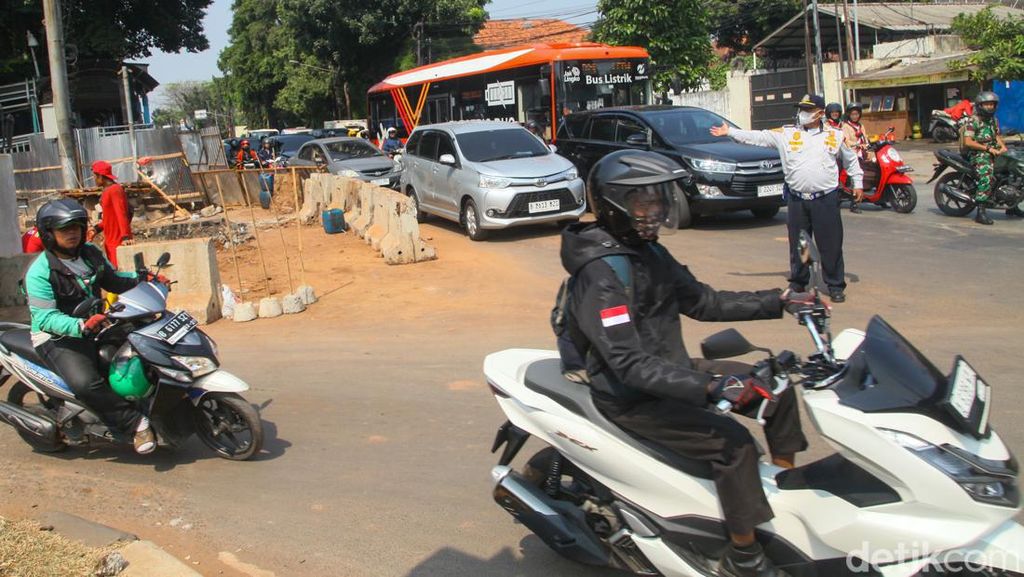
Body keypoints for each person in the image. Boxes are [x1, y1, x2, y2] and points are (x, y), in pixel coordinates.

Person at [559, 149, 809, 577]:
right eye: (644, 202)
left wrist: (779, 301)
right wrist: (709, 388)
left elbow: (703, 300)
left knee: (778, 388)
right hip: (633, 396)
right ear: (615, 203)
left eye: (658, 201)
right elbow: (628, 364)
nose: (654, 211)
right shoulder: (602, 273)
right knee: (733, 443)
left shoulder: (650, 252)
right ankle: (743, 556)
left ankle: (783, 493)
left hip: (670, 370)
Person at [24, 199, 156, 454]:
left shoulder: (90, 253)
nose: (73, 232)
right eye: (65, 229)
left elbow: (113, 279)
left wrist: (144, 279)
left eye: (76, 226)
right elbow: (46, 318)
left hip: (96, 324)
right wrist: (81, 325)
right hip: (56, 337)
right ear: (49, 234)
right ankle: (136, 424)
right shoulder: (39, 273)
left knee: (139, 350)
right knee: (86, 383)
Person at [711, 94, 863, 303]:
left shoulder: (835, 135)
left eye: (808, 110)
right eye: (801, 110)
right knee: (799, 243)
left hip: (825, 199)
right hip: (798, 199)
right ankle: (798, 281)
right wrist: (730, 132)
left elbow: (851, 160)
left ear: (819, 113)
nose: (803, 114)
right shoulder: (787, 134)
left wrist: (858, 183)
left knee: (831, 244)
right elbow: (759, 137)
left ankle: (835, 284)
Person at [962, 91, 1011, 225]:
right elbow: (968, 141)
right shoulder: (974, 120)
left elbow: (996, 136)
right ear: (980, 105)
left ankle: (1012, 206)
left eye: (992, 104)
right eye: (986, 104)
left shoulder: (993, 120)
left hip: (993, 151)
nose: (989, 107)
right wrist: (988, 149)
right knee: (987, 176)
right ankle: (981, 211)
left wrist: (1003, 147)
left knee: (1010, 171)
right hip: (978, 153)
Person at [89, 161, 133, 268]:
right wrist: (96, 229)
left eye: (94, 176)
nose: (94, 179)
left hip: (117, 242)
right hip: (110, 242)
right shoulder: (107, 190)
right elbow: (109, 218)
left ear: (100, 176)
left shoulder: (115, 190)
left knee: (120, 273)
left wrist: (125, 237)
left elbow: (121, 213)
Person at [841, 103, 873, 214]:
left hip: (862, 153)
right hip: (852, 154)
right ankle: (854, 204)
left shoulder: (860, 126)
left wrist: (868, 145)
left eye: (857, 114)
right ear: (849, 115)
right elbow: (845, 140)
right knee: (855, 178)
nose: (855, 116)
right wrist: (856, 145)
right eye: (853, 114)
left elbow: (865, 138)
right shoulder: (846, 126)